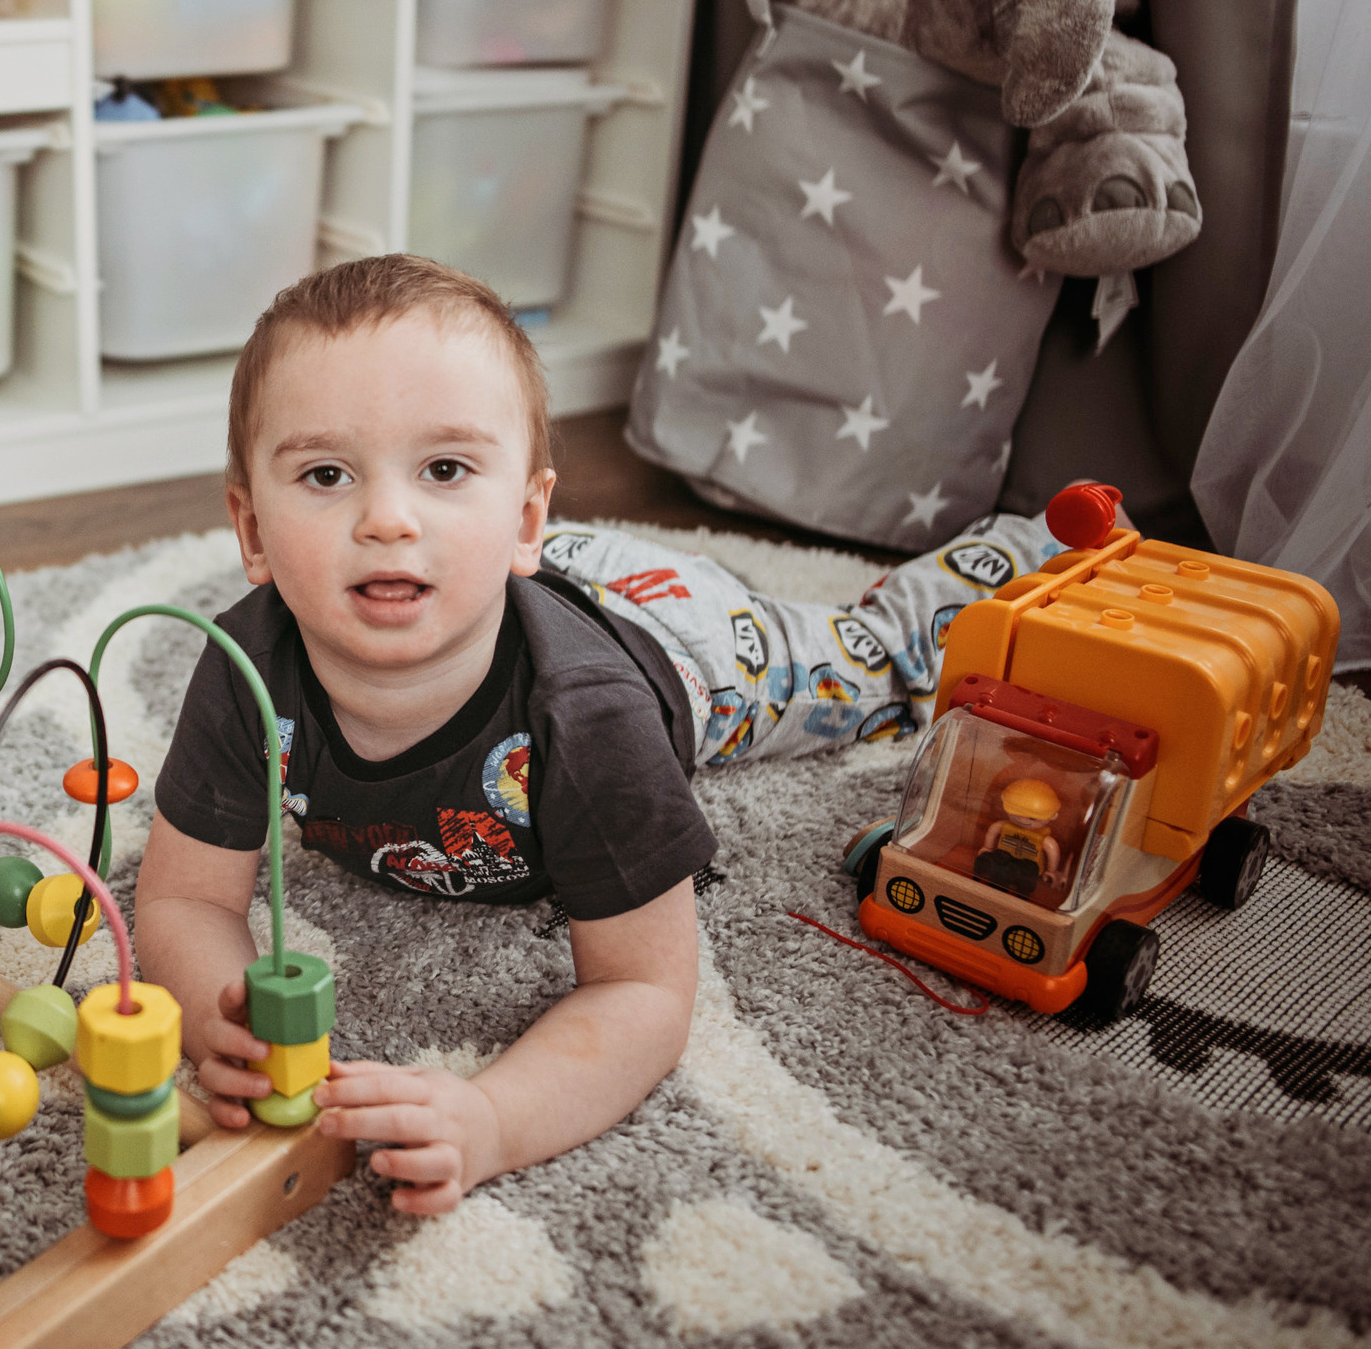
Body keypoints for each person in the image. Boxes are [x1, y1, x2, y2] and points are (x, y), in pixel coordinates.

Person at [135, 256, 1064, 1214]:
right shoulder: (243, 668)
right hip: (533, 578)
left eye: (445, 468)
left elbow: (645, 995)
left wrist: (493, 1116)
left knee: (868, 667)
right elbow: (182, 900)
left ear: (524, 516)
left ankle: (1015, 551)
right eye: (327, 474)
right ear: (250, 530)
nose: (388, 518)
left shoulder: (589, 719)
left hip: (684, 640)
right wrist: (226, 1022)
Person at [974, 777, 1067, 899]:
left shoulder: (1043, 839)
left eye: (1032, 818)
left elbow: (1052, 850)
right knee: (997, 874)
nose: (1022, 820)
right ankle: (995, 894)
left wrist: (1051, 871)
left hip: (1028, 865)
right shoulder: (1005, 825)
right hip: (1003, 857)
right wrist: (987, 847)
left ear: (1053, 816)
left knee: (1024, 883)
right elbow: (994, 830)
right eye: (1016, 814)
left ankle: (1022, 898)